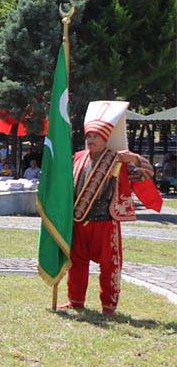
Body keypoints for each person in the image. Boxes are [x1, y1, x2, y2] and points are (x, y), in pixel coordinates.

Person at [62, 101, 161, 315]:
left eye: (95, 136)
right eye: (88, 136)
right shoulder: (78, 157)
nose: (90, 140)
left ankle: (108, 306)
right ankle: (75, 300)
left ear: (105, 138)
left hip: (106, 221)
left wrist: (134, 158)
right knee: (76, 263)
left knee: (109, 266)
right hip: (79, 220)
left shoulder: (118, 158)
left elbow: (147, 173)